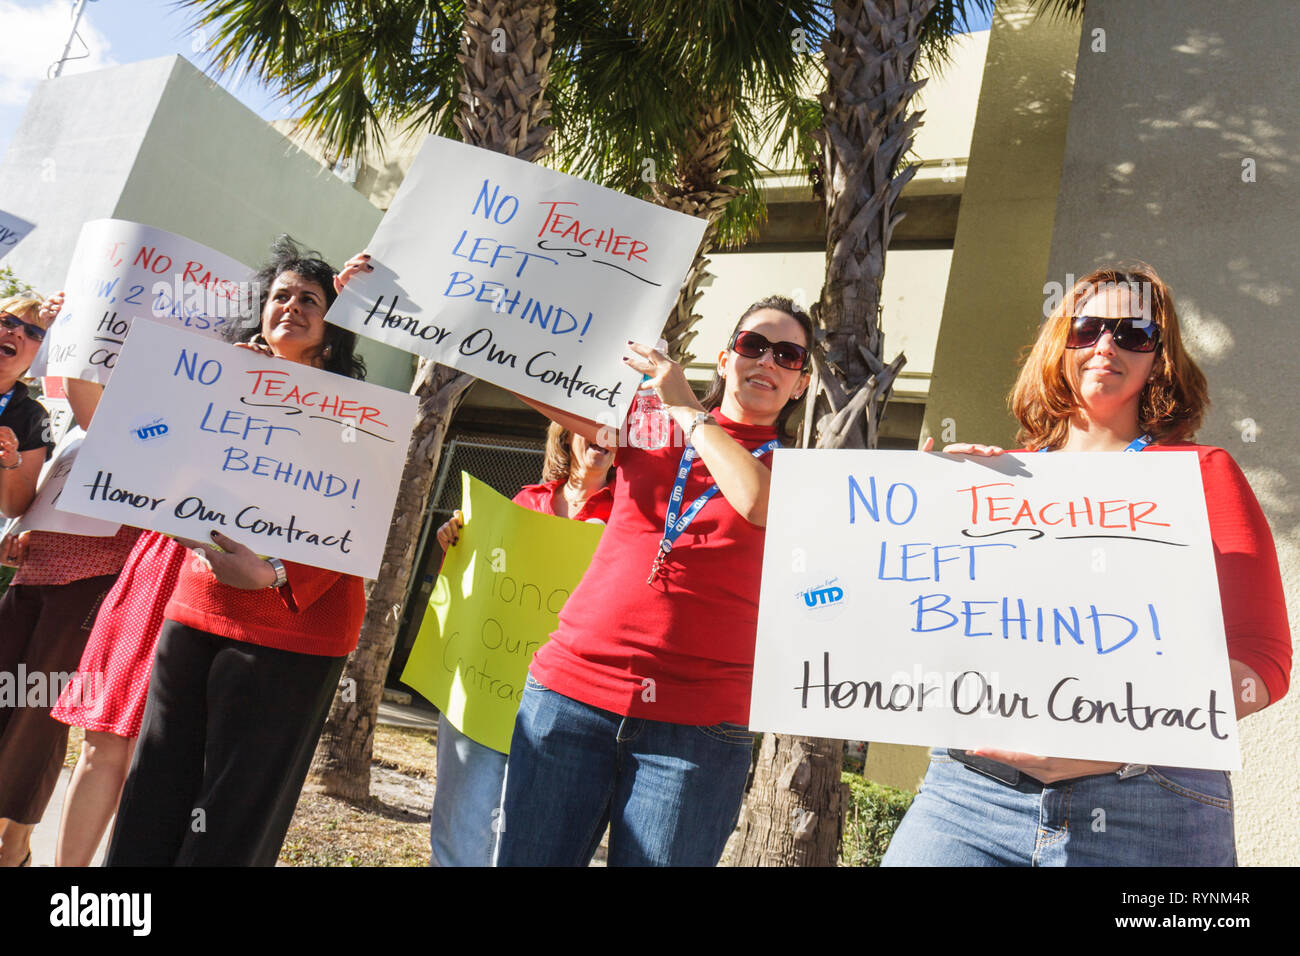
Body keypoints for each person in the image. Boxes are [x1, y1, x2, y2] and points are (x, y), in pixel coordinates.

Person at [882, 264, 1291, 867]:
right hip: (970, 795)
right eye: (1089, 328)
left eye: (1133, 334)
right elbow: (923, 625)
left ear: (1160, 357)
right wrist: (918, 517)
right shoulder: (994, 481)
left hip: (1145, 801)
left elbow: (1262, 663)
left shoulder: (1202, 474)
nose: (1106, 345)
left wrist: (1117, 737)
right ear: (1060, 343)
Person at [494, 295, 813, 867]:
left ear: (801, 383)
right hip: (570, 696)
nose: (767, 361)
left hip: (698, 730)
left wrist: (688, 410)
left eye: (786, 355)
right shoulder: (648, 423)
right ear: (724, 359)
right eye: (752, 345)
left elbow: (755, 500)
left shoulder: (797, 469)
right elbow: (523, 372)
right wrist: (392, 297)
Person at [103, 239, 374, 866]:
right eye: (281, 295)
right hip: (198, 606)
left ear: (333, 329)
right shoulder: (217, 378)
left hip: (293, 626)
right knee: (155, 788)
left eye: (312, 299)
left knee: (231, 809)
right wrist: (220, 387)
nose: (293, 305)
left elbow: (356, 518)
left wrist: (274, 571)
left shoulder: (361, 417)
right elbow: (154, 455)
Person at [429, 422, 614, 866]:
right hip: (486, 688)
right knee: (459, 822)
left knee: (527, 833)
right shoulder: (525, 502)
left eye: (617, 430)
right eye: (594, 425)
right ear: (567, 434)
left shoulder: (627, 517)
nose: (605, 436)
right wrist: (456, 542)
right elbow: (482, 587)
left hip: (561, 701)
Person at [0, 292, 140, 868]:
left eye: (30, 332)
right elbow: (45, 493)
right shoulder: (77, 428)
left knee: (37, 712)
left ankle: (12, 844)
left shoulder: (144, 420)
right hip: (34, 568)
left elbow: (82, 387)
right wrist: (21, 523)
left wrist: (79, 321)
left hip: (93, 576)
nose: (20, 334)